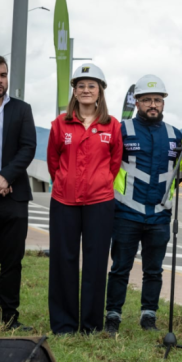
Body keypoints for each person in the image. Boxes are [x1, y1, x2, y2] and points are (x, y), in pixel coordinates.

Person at [104, 75, 182, 335]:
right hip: (126, 212)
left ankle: (148, 316)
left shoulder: (175, 135)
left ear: (163, 103)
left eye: (157, 100)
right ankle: (112, 315)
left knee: (154, 270)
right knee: (120, 268)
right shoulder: (121, 129)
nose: (153, 104)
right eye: (147, 99)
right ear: (136, 102)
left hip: (160, 215)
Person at [47, 63, 123, 335]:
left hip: (99, 203)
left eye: (92, 85)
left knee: (95, 262)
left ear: (100, 91)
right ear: (75, 92)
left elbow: (114, 164)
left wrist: (99, 182)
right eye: (81, 85)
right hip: (64, 202)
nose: (86, 90)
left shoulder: (112, 125)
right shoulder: (60, 123)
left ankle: (91, 325)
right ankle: (64, 325)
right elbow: (53, 161)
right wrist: (66, 181)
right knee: (63, 260)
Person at [0, 55, 36, 331]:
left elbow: (28, 147)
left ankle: (9, 318)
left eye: (3, 75)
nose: (0, 81)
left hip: (14, 197)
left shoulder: (22, 109)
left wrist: (5, 177)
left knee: (12, 260)